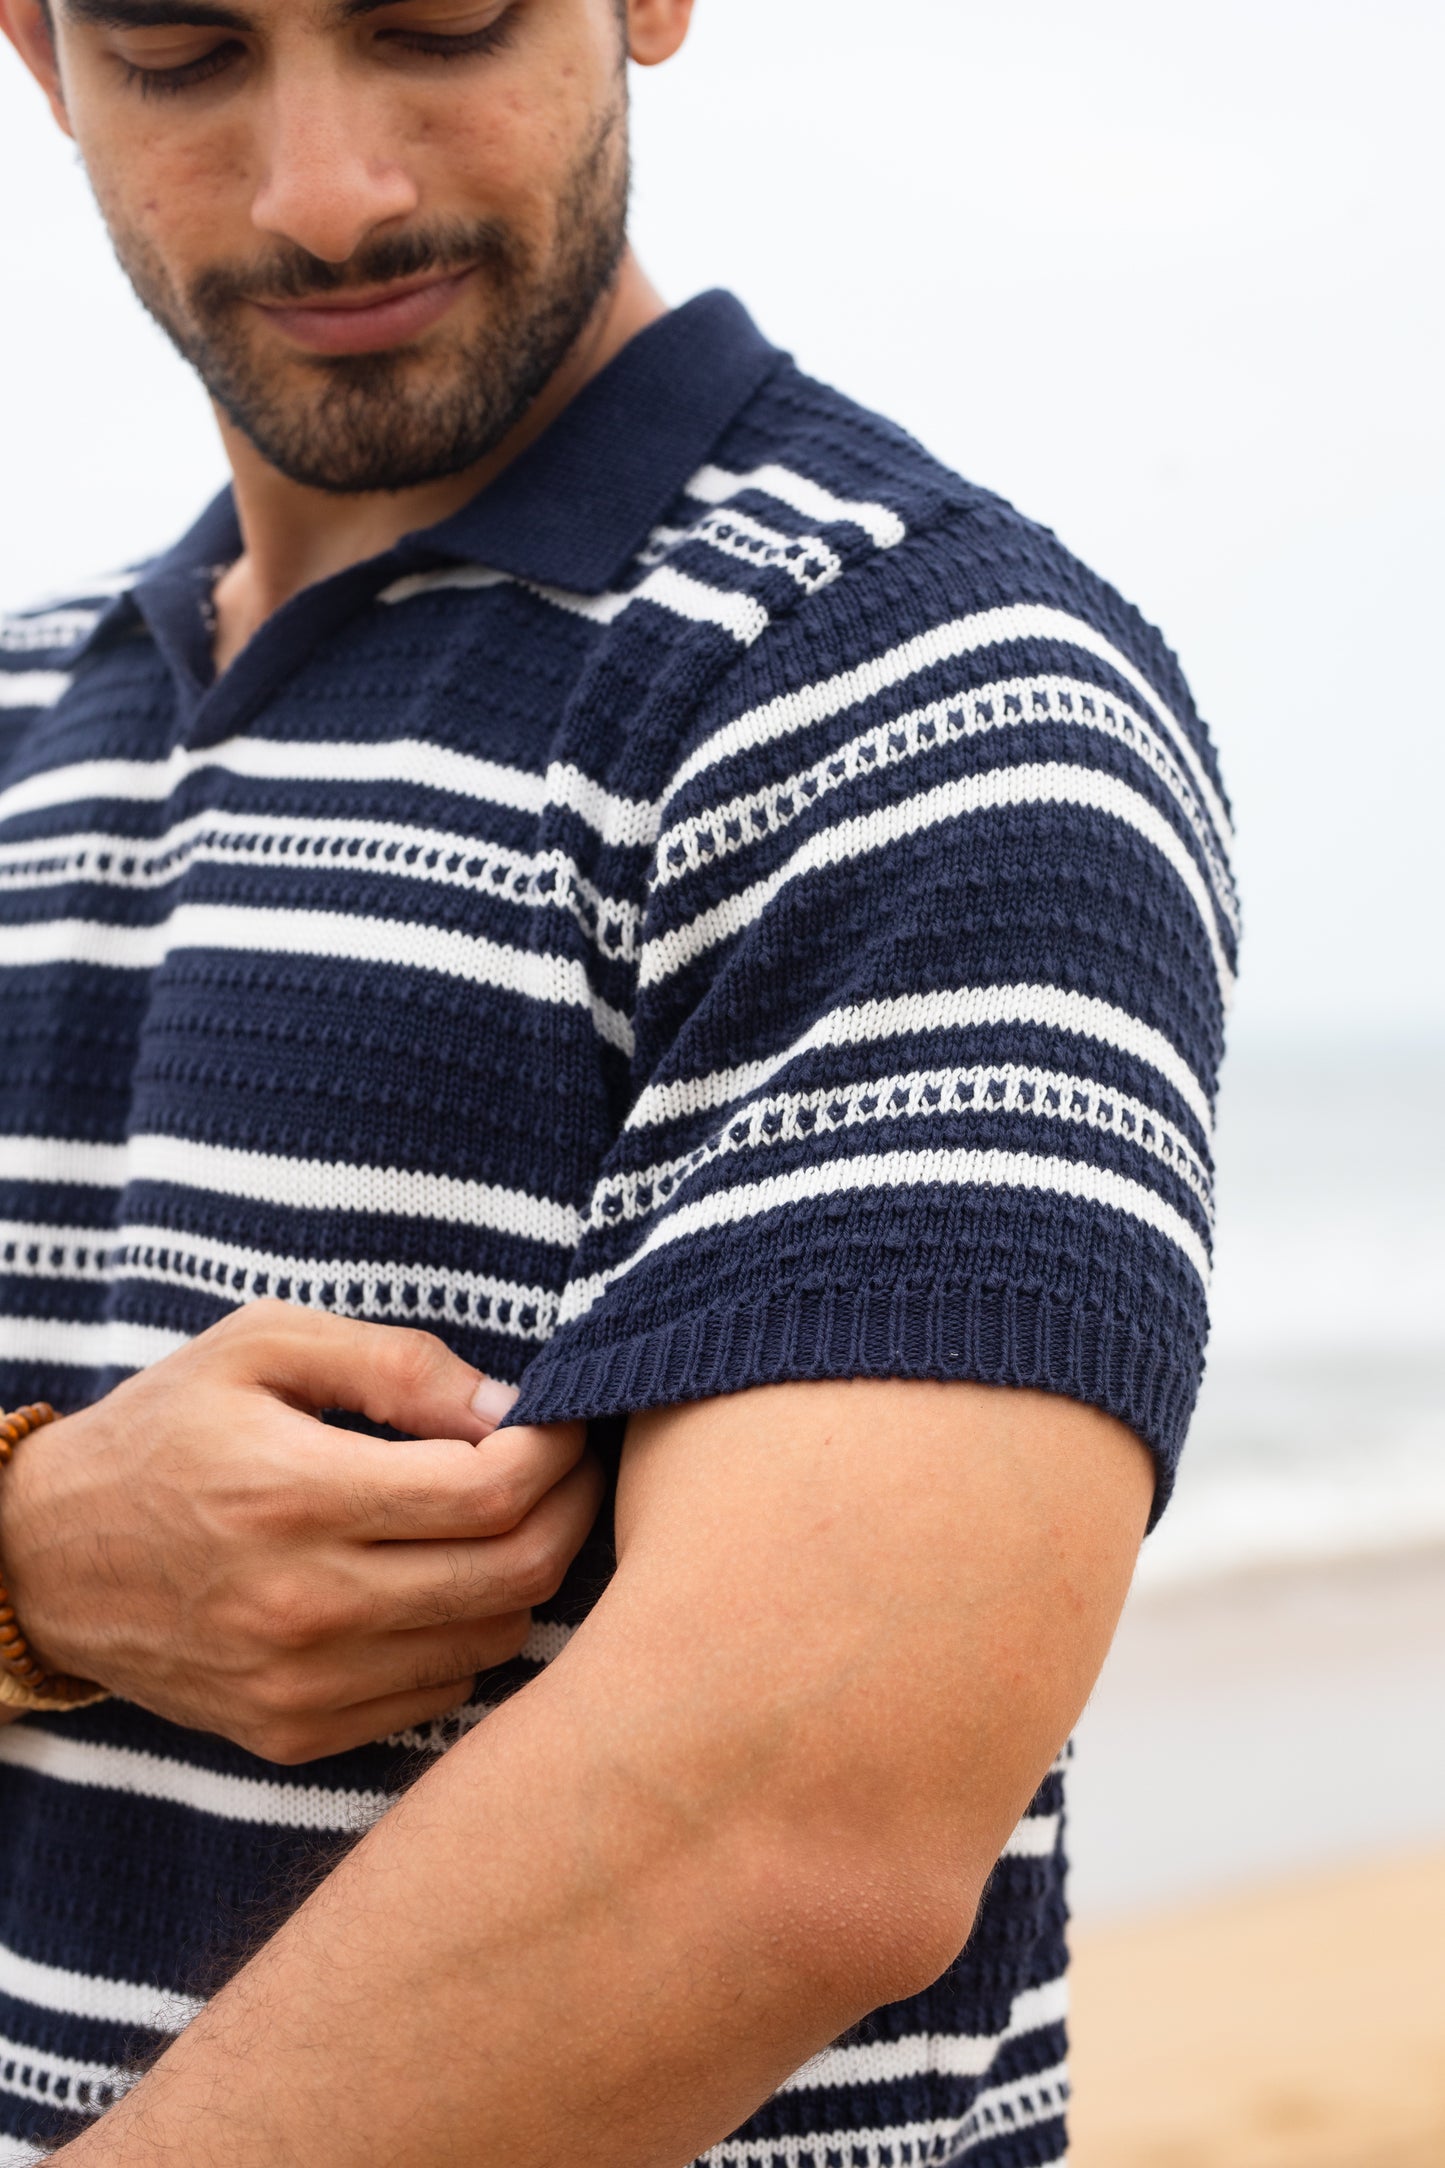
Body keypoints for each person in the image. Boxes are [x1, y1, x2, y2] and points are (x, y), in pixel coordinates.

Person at [0, 1, 1235, 2162]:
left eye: (436, 21)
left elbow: (783, 1835)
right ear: (37, 47)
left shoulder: (921, 694)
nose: (326, 190)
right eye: (187, 50)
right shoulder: (27, 716)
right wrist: (27, 1562)